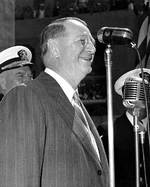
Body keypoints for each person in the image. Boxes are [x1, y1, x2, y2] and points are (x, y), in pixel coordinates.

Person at [0, 17, 109, 187]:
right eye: (82, 41)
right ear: (54, 48)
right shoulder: (24, 98)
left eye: (92, 41)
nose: (92, 48)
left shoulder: (74, 103)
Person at [113, 68, 150, 187]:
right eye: (138, 92)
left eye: (147, 92)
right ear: (126, 99)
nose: (143, 99)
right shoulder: (110, 132)